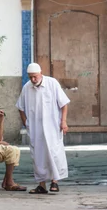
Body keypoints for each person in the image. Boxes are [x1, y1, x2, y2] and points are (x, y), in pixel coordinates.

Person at [16, 63, 70, 194]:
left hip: (52, 127)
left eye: (35, 77)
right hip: (35, 129)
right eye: (30, 77)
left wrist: (63, 121)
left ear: (40, 73)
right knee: (38, 156)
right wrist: (26, 122)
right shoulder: (26, 88)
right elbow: (20, 107)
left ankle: (54, 182)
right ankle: (41, 185)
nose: (33, 80)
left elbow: (64, 104)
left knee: (54, 153)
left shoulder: (52, 83)